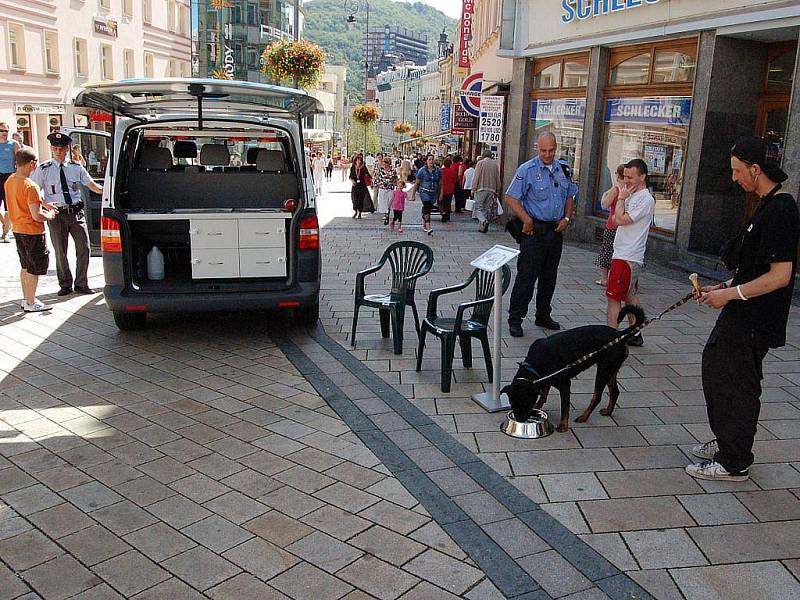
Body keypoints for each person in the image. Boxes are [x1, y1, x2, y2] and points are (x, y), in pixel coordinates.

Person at [687, 136, 799, 482]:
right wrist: (722, 289)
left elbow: (780, 276)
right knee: (722, 370)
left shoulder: (782, 208)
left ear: (755, 169)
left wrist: (732, 294)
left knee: (735, 381)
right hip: (744, 310)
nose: (734, 179)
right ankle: (728, 440)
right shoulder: (766, 203)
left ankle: (734, 459)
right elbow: (755, 266)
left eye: (738, 171)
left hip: (756, 317)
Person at [506, 132, 577, 337]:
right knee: (526, 277)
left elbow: (571, 194)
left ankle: (543, 315)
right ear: (537, 148)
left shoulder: (563, 169)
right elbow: (511, 198)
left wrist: (567, 218)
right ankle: (515, 318)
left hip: (555, 231)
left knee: (549, 277)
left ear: (556, 148)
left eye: (551, 150)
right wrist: (526, 220)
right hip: (534, 231)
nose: (547, 154)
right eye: (543, 150)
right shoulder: (527, 169)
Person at [30, 131, 103, 296]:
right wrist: (44, 204)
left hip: (76, 213)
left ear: (67, 149)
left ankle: (81, 283)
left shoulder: (76, 168)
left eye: (61, 149)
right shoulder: (44, 169)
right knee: (60, 251)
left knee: (84, 248)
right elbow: (34, 191)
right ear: (51, 149)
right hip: (57, 215)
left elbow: (92, 185)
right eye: (55, 149)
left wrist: (107, 192)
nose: (58, 152)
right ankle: (65, 284)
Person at [605, 159, 654, 347]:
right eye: (624, 176)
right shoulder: (632, 193)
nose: (626, 180)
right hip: (623, 252)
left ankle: (611, 337)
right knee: (629, 295)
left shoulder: (645, 199)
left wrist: (621, 199)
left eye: (631, 177)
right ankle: (635, 331)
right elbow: (615, 218)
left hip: (628, 255)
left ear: (642, 177)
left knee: (614, 297)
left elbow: (621, 219)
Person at [4, 147, 57, 312]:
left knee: (25, 265)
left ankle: (26, 298)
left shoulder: (10, 180)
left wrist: (43, 203)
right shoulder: (30, 185)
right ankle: (31, 302)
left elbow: (27, 201)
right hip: (32, 231)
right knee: (34, 268)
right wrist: (50, 215)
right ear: (32, 163)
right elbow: (36, 215)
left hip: (17, 229)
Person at [594, 165, 626, 286]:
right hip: (625, 227)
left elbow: (604, 205)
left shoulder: (616, 189)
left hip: (613, 225)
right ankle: (619, 278)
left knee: (607, 251)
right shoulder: (632, 189)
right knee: (622, 253)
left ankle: (605, 279)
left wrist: (606, 194)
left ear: (618, 175)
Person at [0, 123, 22, 243]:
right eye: (2, 130)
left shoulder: (13, 144)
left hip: (9, 177)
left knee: (8, 206)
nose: (4, 133)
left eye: (6, 131)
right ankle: (6, 224)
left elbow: (20, 161)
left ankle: (5, 233)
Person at [409, 154, 441, 235]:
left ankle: (424, 221)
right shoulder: (422, 171)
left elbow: (440, 183)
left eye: (432, 159)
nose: (431, 161)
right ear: (426, 161)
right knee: (427, 207)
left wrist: (441, 194)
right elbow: (416, 183)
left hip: (433, 193)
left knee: (428, 208)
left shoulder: (437, 170)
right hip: (424, 192)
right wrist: (413, 195)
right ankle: (428, 226)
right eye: (429, 159)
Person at [472, 150, 502, 233]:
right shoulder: (495, 164)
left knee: (478, 207)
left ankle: (483, 221)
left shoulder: (480, 163)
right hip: (491, 189)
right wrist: (498, 189)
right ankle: (482, 227)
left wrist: (473, 188)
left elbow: (476, 176)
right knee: (485, 209)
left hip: (481, 188)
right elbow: (497, 177)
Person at [376, 156, 396, 226]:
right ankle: (385, 213)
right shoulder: (381, 169)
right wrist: (377, 185)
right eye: (385, 162)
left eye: (387, 162)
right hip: (382, 187)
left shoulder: (393, 170)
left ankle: (388, 212)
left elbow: (395, 178)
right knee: (383, 201)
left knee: (389, 201)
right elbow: (378, 177)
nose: (386, 164)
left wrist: (395, 184)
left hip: (390, 187)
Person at [349, 154, 370, 219]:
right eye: (357, 160)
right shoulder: (353, 167)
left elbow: (368, 175)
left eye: (360, 160)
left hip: (362, 186)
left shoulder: (363, 168)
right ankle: (355, 211)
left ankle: (360, 213)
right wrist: (352, 180)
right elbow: (350, 176)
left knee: (360, 199)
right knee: (354, 199)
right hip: (355, 186)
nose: (359, 161)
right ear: (355, 161)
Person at [440, 157, 457, 222]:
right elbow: (454, 180)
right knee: (448, 203)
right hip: (450, 189)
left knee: (441, 202)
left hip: (442, 189)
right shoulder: (452, 171)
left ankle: (443, 213)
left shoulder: (441, 170)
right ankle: (448, 217)